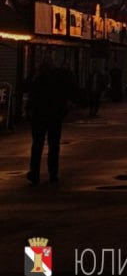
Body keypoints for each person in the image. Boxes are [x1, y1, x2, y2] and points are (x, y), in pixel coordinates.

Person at [25, 56, 74, 185]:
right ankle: (53, 173)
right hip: (54, 114)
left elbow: (28, 89)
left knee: (37, 144)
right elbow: (67, 90)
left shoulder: (37, 76)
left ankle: (35, 172)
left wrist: (29, 108)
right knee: (54, 144)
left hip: (39, 114)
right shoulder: (58, 76)